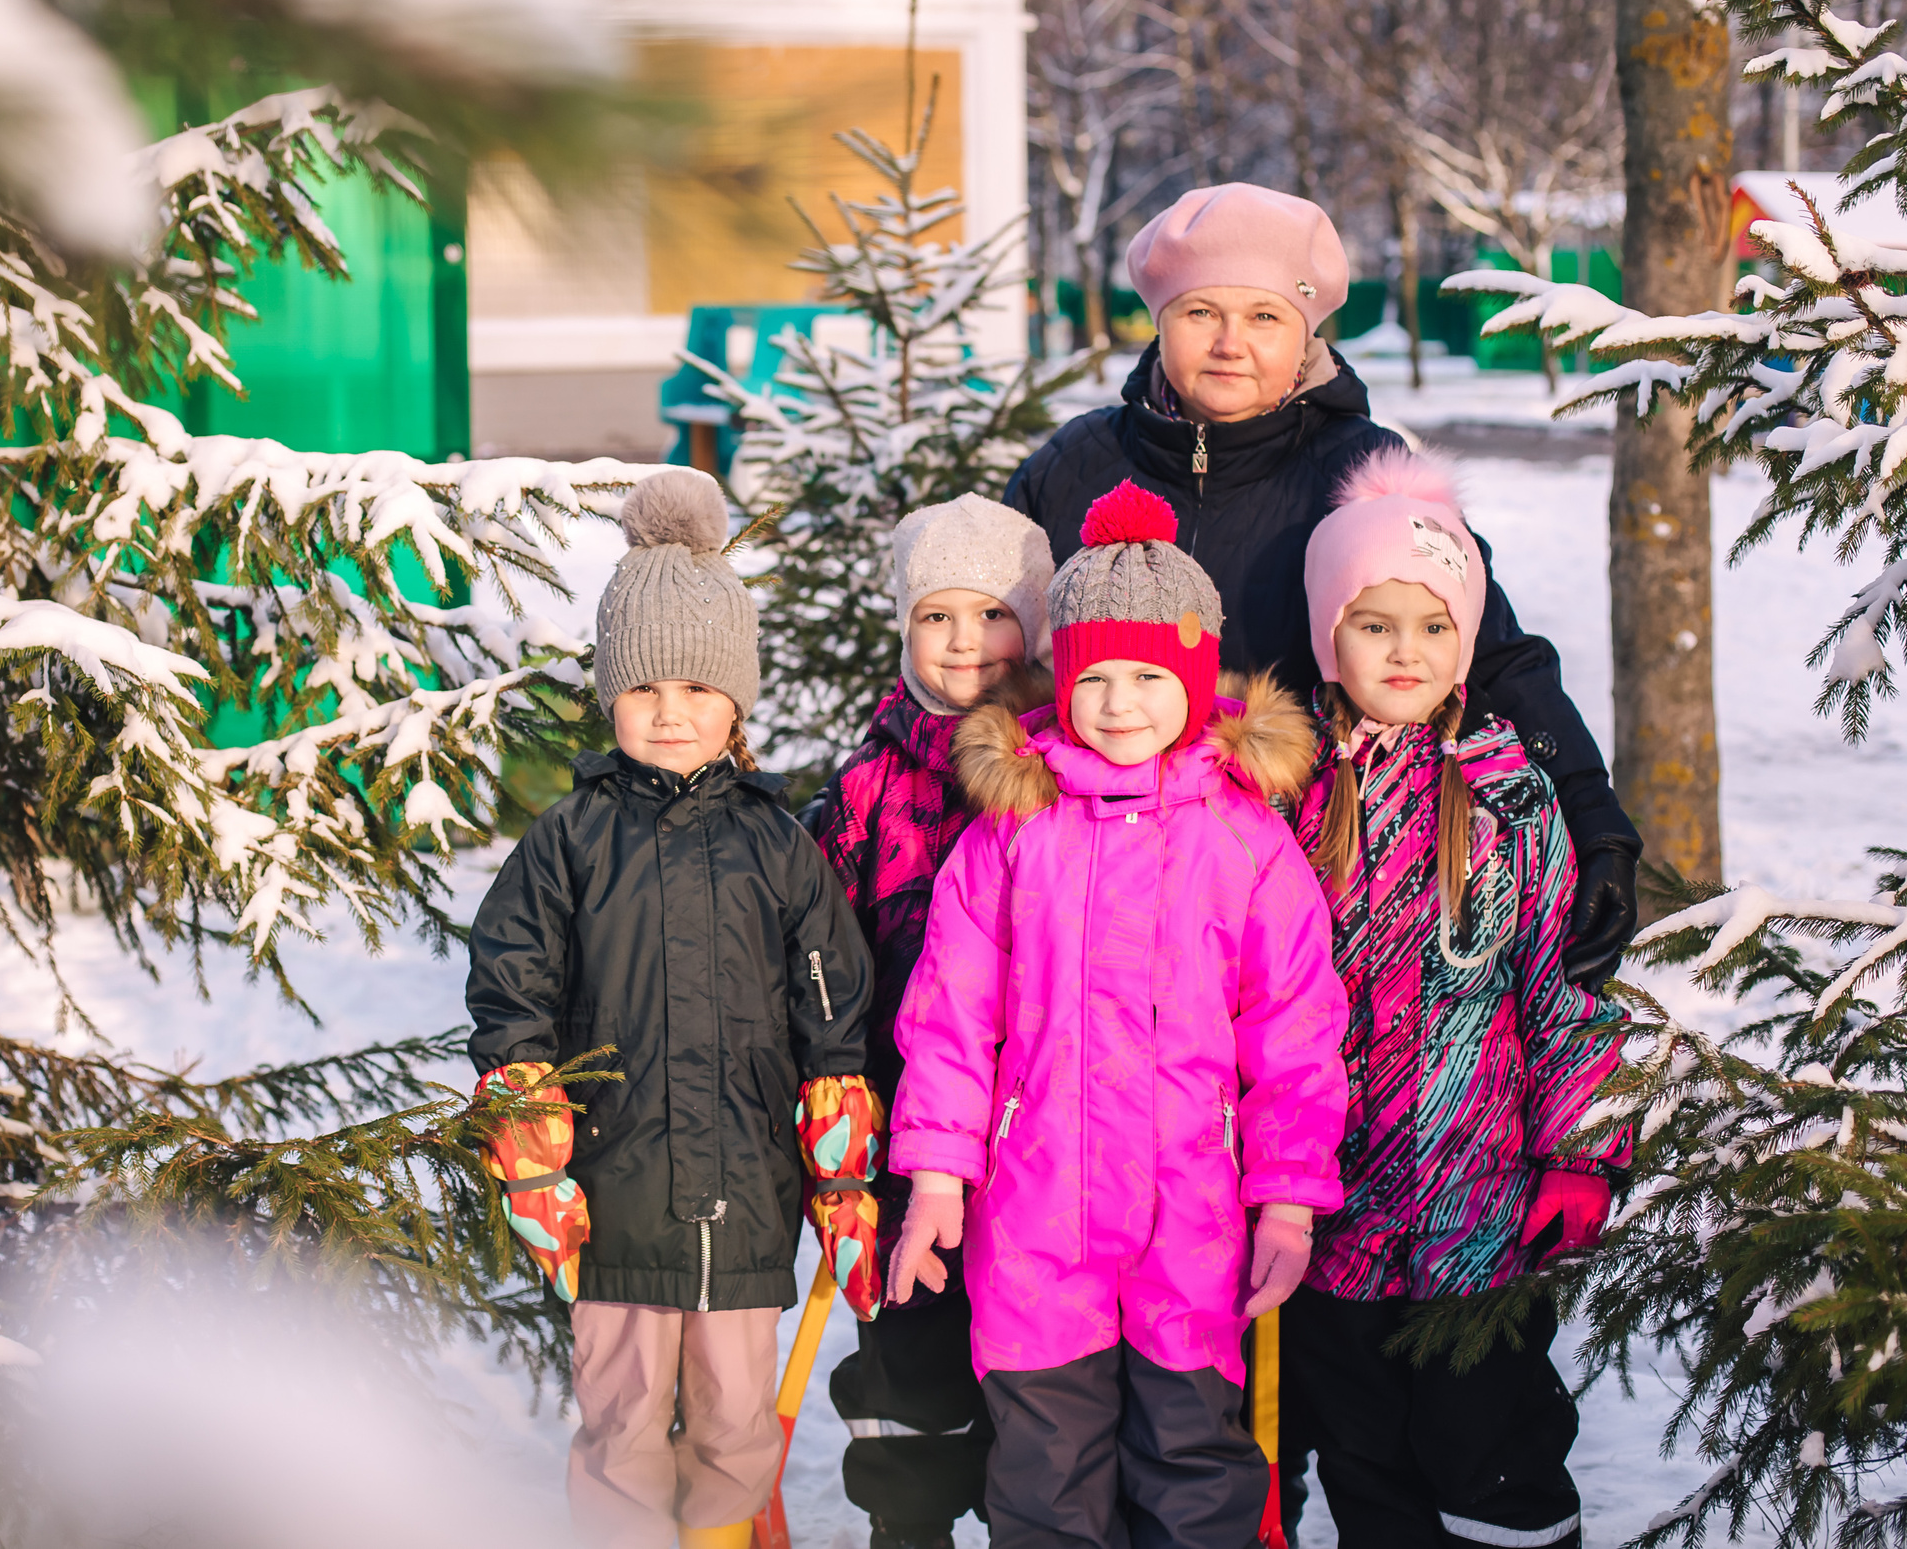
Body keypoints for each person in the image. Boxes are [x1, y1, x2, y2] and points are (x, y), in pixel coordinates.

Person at [1001, 184, 1641, 997]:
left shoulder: (1365, 474)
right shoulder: (1072, 469)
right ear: (1159, 320)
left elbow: (1491, 652)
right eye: (1201, 312)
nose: (1231, 343)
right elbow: (978, 647)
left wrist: (1593, 818)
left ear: (1305, 333)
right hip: (1095, 903)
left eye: (1264, 317)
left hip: (1310, 895)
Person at [883, 480, 1349, 1549]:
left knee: (1193, 1469)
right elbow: (954, 1016)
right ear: (1062, 678)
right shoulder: (1013, 832)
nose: (1121, 703)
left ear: (1194, 684)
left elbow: (1291, 1033)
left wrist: (1286, 1197)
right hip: (1034, 1219)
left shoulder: (1242, 841)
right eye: (1095, 676)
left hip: (1190, 1220)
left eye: (1150, 676)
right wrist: (939, 1178)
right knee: (1045, 1479)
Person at [465, 468, 882, 1549]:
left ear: (735, 701)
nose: (671, 713)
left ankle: (723, 1537)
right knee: (619, 1421)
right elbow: (512, 984)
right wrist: (532, 1139)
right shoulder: (569, 840)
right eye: (646, 689)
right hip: (613, 1199)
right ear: (610, 695)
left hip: (746, 1199)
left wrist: (838, 1163)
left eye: (699, 691)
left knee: (740, 1422)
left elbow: (831, 1005)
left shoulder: (777, 843)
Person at [1277, 450, 1631, 1549]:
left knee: (1493, 1465)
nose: (1404, 652)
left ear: (1468, 644)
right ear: (1327, 635)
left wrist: (1579, 1150)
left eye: (1433, 627)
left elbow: (1557, 989)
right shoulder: (1283, 796)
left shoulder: (1513, 798)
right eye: (1374, 624)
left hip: (1478, 1217)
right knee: (1367, 1463)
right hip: (1326, 1223)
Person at [801, 495, 1056, 1549]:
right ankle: (906, 1527)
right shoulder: (865, 787)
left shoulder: (1071, 772)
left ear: (1034, 628)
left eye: (991, 615)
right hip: (907, 1144)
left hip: (1044, 1152)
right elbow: (819, 962)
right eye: (935, 618)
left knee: (1035, 1396)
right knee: (909, 1367)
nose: (964, 644)